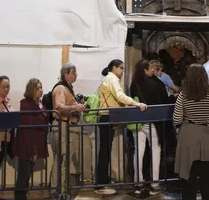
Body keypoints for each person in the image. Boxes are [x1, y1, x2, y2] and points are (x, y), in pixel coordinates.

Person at [173, 64, 209, 200]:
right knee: (208, 183)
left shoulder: (183, 95)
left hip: (189, 138)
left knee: (188, 182)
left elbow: (177, 118)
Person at [96, 59, 146, 195]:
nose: (123, 71)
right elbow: (119, 95)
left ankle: (103, 181)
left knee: (105, 150)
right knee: (105, 151)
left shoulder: (109, 78)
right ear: (114, 68)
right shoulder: (112, 79)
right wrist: (136, 104)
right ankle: (100, 184)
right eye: (121, 68)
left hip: (107, 117)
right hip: (107, 117)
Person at [129, 59, 171, 195]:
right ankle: (154, 182)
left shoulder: (134, 83)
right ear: (145, 70)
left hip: (138, 121)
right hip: (153, 121)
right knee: (155, 149)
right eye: (150, 69)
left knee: (138, 151)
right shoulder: (154, 83)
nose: (152, 71)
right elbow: (164, 98)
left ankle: (138, 182)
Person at [49, 63, 91, 191]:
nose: (76, 75)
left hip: (68, 126)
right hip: (63, 125)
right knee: (62, 158)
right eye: (73, 72)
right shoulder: (61, 88)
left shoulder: (68, 88)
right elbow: (59, 108)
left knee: (64, 158)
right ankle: (58, 189)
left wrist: (77, 104)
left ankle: (62, 188)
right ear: (66, 74)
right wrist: (75, 107)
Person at [13, 78, 50, 200]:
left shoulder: (40, 103)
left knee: (27, 173)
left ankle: (22, 195)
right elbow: (27, 129)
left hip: (37, 142)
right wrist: (32, 149)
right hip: (27, 143)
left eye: (41, 87)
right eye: (37, 88)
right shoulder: (26, 104)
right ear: (31, 90)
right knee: (24, 173)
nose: (40, 90)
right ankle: (19, 197)